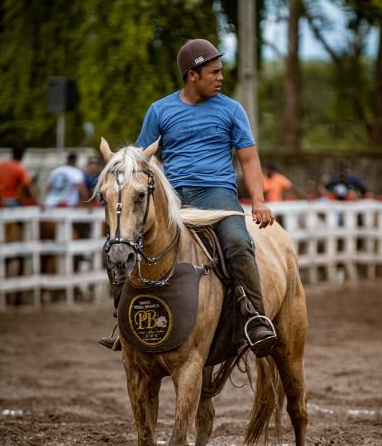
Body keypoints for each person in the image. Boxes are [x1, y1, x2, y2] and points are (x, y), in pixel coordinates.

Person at [100, 38, 277, 357]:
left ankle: (256, 317)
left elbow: (249, 159)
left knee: (238, 242)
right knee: (124, 243)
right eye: (214, 72)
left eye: (221, 71)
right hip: (173, 197)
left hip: (218, 194)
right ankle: (123, 321)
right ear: (192, 74)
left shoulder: (232, 110)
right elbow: (142, 160)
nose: (221, 77)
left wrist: (259, 201)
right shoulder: (160, 111)